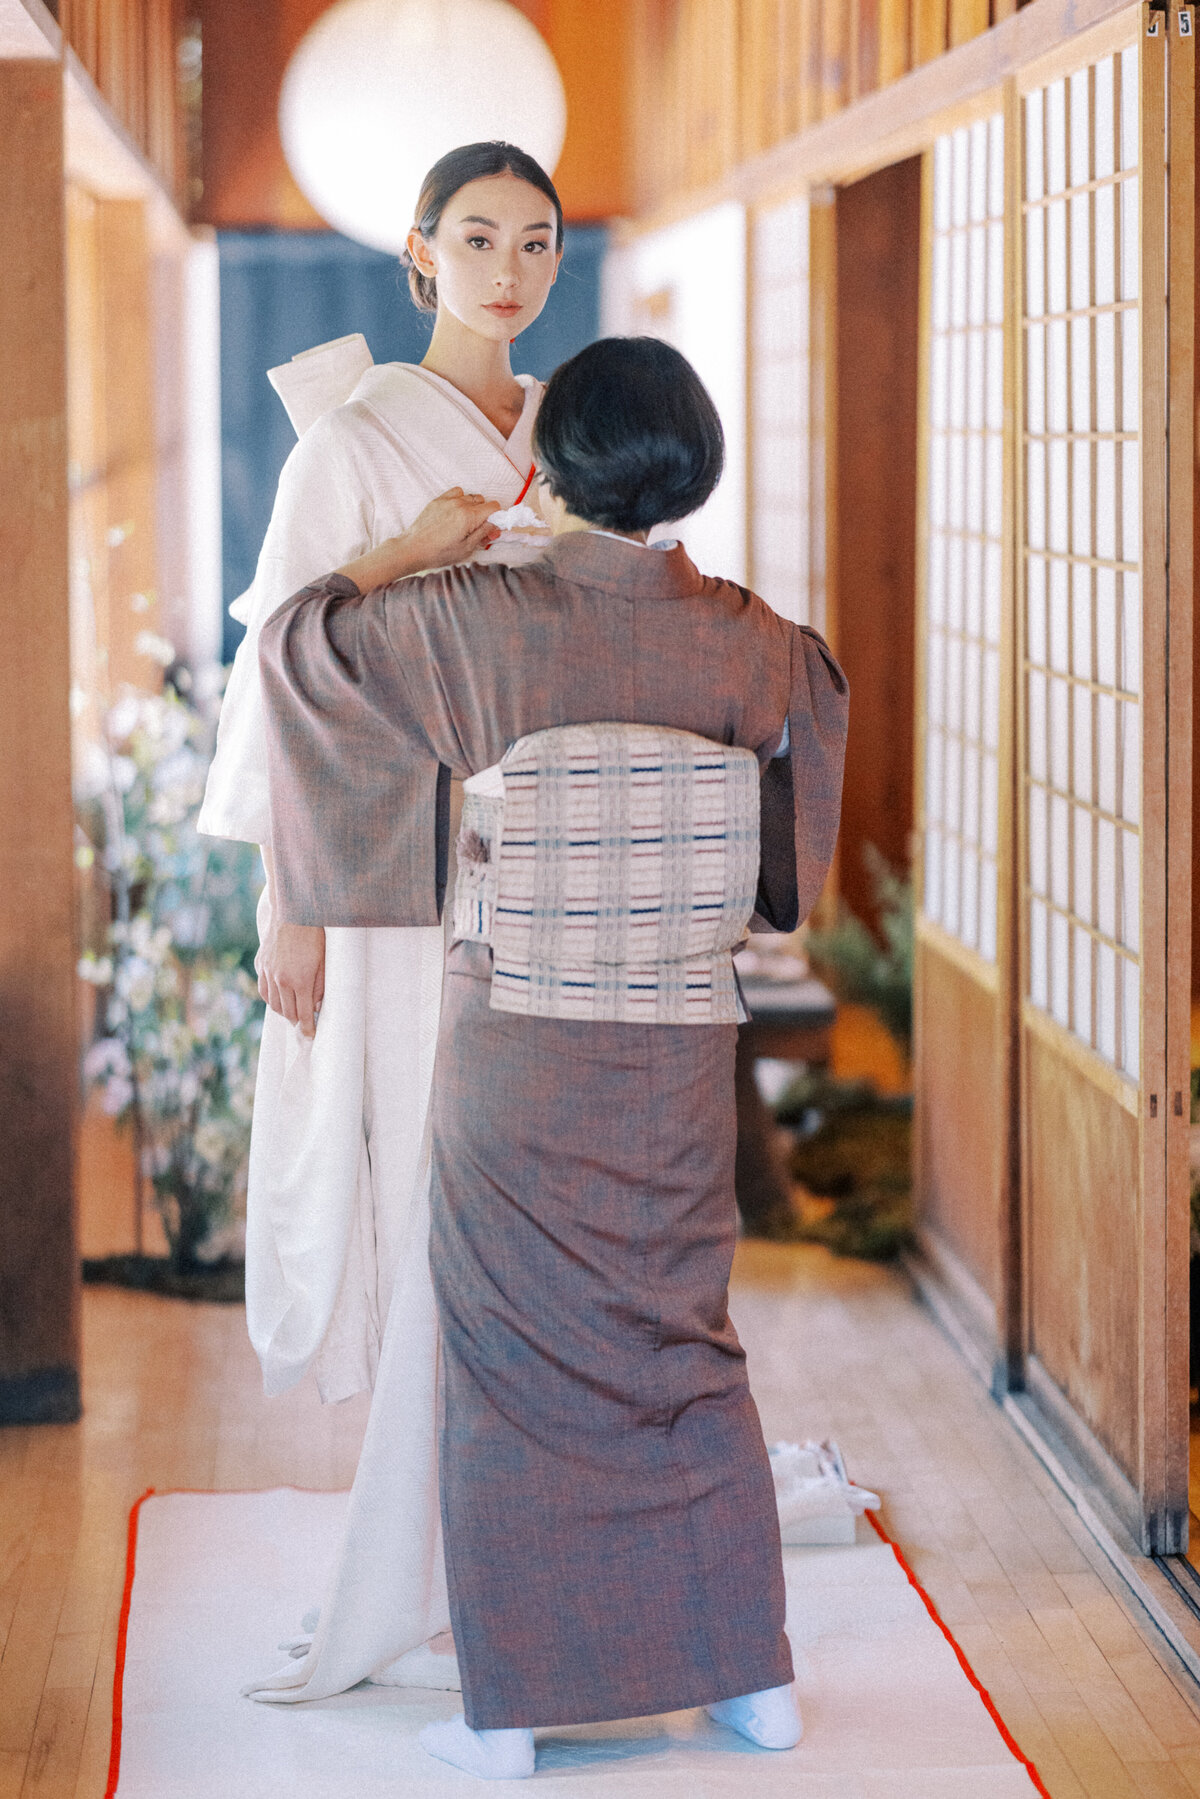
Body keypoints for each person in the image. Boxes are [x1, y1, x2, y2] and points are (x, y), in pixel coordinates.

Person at [258, 336, 849, 1778]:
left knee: (510, 1356)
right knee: (685, 1344)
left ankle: (521, 1706)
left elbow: (298, 649)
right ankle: (745, 1677)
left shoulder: (475, 617)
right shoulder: (756, 639)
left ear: (552, 467)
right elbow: (797, 817)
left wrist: (401, 549)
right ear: (688, 465)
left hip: (519, 1040)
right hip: (677, 1045)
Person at [197, 141, 562, 1699]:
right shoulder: (349, 437)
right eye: (474, 237)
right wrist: (293, 906)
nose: (506, 268)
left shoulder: (565, 431)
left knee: (520, 1203)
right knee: (412, 1180)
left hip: (541, 860)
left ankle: (497, 1540)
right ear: (420, 255)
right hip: (386, 863)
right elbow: (282, 661)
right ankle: (406, 1553)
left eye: (534, 240)